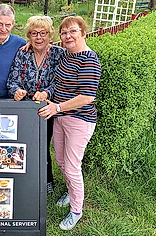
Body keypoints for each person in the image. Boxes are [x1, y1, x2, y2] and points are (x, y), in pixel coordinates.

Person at [38, 16, 101, 230]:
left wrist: (56, 107)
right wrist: (29, 43)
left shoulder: (89, 59)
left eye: (73, 31)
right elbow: (44, 46)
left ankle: (76, 210)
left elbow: (86, 97)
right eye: (64, 33)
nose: (67, 36)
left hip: (79, 120)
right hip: (61, 118)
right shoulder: (66, 54)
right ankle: (70, 190)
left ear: (84, 33)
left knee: (72, 166)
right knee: (61, 161)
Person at [6, 15, 64, 194]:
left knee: (42, 145)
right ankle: (21, 179)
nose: (39, 37)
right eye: (34, 33)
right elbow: (12, 80)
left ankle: (46, 180)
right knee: (21, 144)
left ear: (50, 35)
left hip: (46, 108)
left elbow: (60, 82)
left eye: (43, 33)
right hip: (24, 108)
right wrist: (16, 91)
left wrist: (47, 92)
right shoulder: (23, 52)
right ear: (29, 36)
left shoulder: (58, 54)